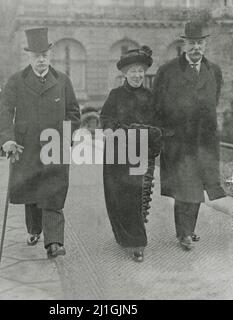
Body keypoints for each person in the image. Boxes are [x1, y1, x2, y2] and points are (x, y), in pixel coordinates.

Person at [0, 27, 80, 258]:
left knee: (53, 192)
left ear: (49, 55)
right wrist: (7, 139)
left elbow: (74, 112)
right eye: (36, 56)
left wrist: (65, 136)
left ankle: (54, 242)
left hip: (55, 148)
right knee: (32, 192)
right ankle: (34, 229)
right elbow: (4, 111)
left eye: (44, 55)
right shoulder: (17, 81)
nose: (41, 60)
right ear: (29, 57)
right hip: (27, 147)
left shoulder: (62, 81)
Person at [152, 21, 226, 251]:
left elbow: (214, 100)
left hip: (204, 142)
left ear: (205, 45)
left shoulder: (214, 71)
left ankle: (188, 230)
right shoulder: (168, 71)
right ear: (184, 44)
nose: (196, 47)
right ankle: (184, 233)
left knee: (197, 187)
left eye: (200, 43)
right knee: (185, 188)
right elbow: (156, 105)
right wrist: (165, 135)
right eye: (192, 43)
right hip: (178, 142)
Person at [100, 46, 162, 262]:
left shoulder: (151, 96)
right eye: (132, 71)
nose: (137, 75)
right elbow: (106, 117)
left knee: (137, 198)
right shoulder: (115, 95)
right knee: (117, 198)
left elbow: (159, 125)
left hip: (141, 154)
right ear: (124, 73)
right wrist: (108, 130)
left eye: (140, 71)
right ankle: (123, 236)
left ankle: (137, 243)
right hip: (117, 154)